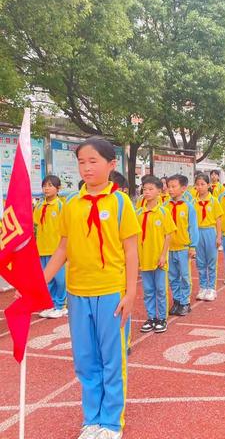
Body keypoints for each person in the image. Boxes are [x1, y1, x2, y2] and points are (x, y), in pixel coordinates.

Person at [43, 137, 140, 439]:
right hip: (78, 292)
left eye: (93, 161)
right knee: (85, 359)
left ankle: (111, 421)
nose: (86, 168)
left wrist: (131, 293)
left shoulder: (120, 202)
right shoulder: (71, 204)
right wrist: (39, 281)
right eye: (82, 162)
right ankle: (92, 419)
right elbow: (63, 248)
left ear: (111, 165)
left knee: (112, 359)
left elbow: (130, 250)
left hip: (111, 292)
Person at [137, 175, 176, 334]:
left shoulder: (163, 212)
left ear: (159, 191)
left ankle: (162, 318)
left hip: (158, 259)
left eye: (151, 189)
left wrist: (163, 255)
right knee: (148, 290)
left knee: (160, 289)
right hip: (144, 258)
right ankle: (151, 317)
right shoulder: (138, 212)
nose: (147, 192)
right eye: (145, 189)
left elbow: (169, 235)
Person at [165, 174, 199, 316]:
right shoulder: (165, 207)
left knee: (184, 276)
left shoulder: (188, 207)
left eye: (174, 186)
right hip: (169, 248)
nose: (170, 190)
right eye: (169, 187)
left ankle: (185, 302)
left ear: (183, 188)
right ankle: (177, 300)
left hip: (183, 247)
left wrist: (193, 246)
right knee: (172, 276)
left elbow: (193, 228)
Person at [33, 175, 67, 319]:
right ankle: (52, 304)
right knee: (47, 280)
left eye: (50, 185)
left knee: (60, 279)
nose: (46, 188)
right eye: (44, 186)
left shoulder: (60, 205)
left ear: (58, 189)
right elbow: (35, 224)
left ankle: (61, 305)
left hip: (57, 249)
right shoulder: (40, 205)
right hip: (42, 248)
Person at [194, 173, 223, 301]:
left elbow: (218, 220)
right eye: (198, 184)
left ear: (208, 185)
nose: (200, 187)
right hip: (198, 232)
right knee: (200, 262)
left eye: (202, 184)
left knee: (211, 261)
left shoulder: (214, 201)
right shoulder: (193, 202)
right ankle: (203, 286)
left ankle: (211, 288)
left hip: (210, 231)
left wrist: (218, 237)